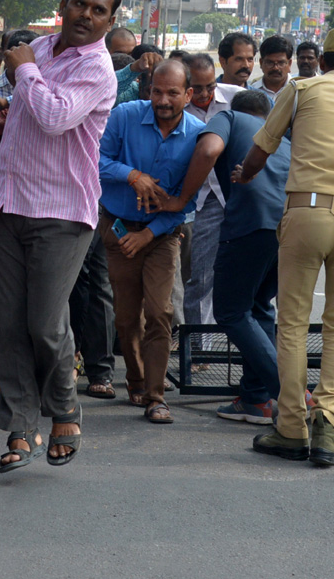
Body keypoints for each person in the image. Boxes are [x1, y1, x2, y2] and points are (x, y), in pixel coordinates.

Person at [0, 0, 120, 471]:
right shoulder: (40, 51)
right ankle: (21, 426)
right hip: (11, 200)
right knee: (12, 324)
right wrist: (22, 71)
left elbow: (54, 116)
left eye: (98, 9)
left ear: (110, 20)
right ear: (63, 5)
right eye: (80, 4)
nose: (86, 15)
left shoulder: (97, 69)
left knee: (45, 323)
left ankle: (64, 406)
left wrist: (22, 70)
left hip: (63, 210)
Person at [238, 28, 334, 467]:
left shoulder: (300, 91)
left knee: (294, 324)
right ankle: (327, 427)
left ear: (320, 60)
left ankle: (291, 428)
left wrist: (244, 174)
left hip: (307, 213)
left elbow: (264, 145)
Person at [164, 91, 290, 424]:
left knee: (231, 311)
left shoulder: (230, 119)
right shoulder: (284, 138)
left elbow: (208, 149)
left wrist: (181, 200)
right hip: (289, 229)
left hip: (250, 222)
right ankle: (255, 398)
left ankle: (291, 395)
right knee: (259, 306)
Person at [98, 60, 204, 425]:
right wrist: (132, 176)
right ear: (148, 91)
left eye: (173, 93)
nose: (163, 100)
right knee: (127, 319)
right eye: (157, 92)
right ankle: (136, 380)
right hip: (118, 230)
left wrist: (148, 234)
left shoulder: (197, 135)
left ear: (188, 95)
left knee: (160, 312)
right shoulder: (124, 116)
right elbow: (94, 161)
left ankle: (156, 397)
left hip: (161, 236)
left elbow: (186, 202)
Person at [181, 52, 242, 329]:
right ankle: (197, 346)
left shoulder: (235, 98)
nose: (204, 94)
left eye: (210, 86)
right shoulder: (176, 105)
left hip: (235, 194)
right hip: (197, 198)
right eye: (197, 88)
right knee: (200, 276)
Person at [250, 35, 294, 102]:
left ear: (289, 64)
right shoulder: (251, 91)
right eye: (270, 63)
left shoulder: (298, 92)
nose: (275, 68)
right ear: (261, 63)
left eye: (281, 63)